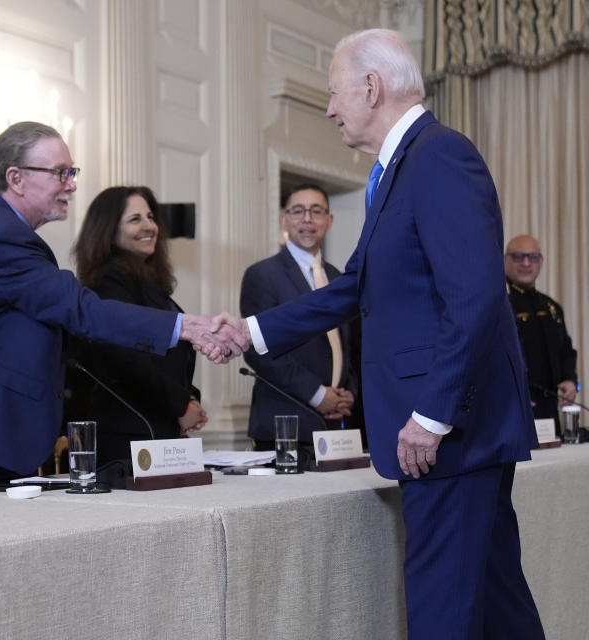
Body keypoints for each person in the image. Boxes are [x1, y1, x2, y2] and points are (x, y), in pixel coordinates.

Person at [220, 29, 544, 639]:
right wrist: (250, 332)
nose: (330, 108)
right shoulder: (396, 171)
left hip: (451, 434)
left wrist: (432, 416)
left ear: (371, 87)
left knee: (442, 612)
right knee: (500, 606)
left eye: (336, 92)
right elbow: (356, 288)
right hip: (455, 432)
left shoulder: (439, 155)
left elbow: (473, 296)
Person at [0, 121, 245, 484]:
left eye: (71, 172)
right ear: (16, 178)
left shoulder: (0, 229)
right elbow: (81, 309)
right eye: (61, 172)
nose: (72, 184)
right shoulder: (1, 238)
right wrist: (187, 327)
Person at [67, 185, 207, 465]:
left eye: (151, 217)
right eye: (135, 219)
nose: (150, 226)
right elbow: (125, 359)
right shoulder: (107, 284)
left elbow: (167, 358)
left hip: (153, 428)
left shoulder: (147, 283)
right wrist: (181, 405)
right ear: (109, 230)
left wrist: (189, 398)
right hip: (127, 435)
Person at [240, 183, 359, 450]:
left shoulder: (340, 278)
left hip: (339, 424)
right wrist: (317, 395)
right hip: (286, 423)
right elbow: (258, 349)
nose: (307, 218)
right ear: (284, 219)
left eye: (316, 211)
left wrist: (348, 393)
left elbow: (351, 347)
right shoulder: (262, 275)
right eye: (297, 211)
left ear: (329, 221)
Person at [504, 234, 578, 430]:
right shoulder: (499, 305)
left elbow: (566, 350)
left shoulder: (551, 306)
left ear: (541, 261)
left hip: (549, 409)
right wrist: (511, 394)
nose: (526, 263)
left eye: (533, 257)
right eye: (518, 256)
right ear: (505, 260)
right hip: (512, 408)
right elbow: (490, 357)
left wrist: (570, 379)